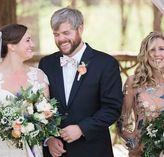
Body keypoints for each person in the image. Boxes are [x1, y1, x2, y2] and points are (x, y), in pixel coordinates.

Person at [38, 7, 123, 157]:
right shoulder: (46, 64)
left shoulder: (106, 64)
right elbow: (40, 106)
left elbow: (112, 108)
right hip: (55, 152)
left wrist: (82, 128)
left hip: (93, 150)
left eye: (66, 33)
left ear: (80, 29)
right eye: (56, 34)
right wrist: (49, 139)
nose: (61, 39)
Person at [0, 24, 49, 157]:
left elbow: (46, 114)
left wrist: (30, 128)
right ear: (12, 46)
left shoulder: (39, 76)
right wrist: (11, 130)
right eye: (27, 40)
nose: (32, 44)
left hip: (30, 148)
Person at [117, 31, 164, 157]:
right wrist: (134, 144)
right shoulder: (133, 82)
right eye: (152, 50)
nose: (157, 54)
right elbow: (121, 122)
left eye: (161, 49)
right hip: (141, 152)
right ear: (145, 54)